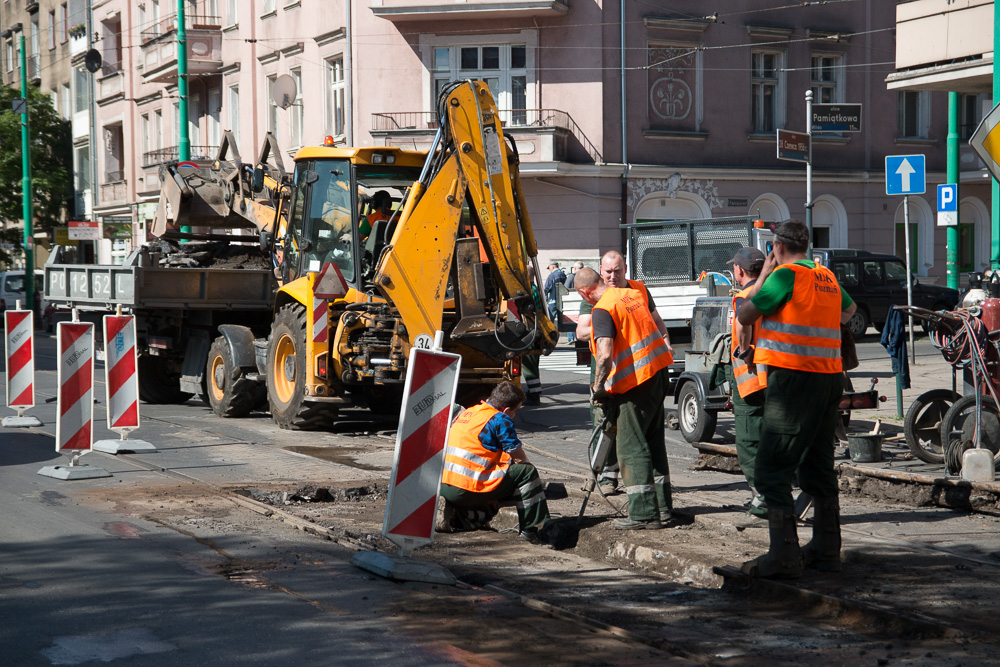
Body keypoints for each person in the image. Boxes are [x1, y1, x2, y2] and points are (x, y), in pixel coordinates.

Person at [736, 220, 856, 578]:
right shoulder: (827, 277)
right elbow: (848, 312)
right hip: (829, 379)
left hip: (793, 380)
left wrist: (764, 276)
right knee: (818, 464)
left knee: (771, 468)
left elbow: (745, 313)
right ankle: (826, 549)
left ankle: (784, 555)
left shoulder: (784, 276)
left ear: (777, 247)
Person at [576, 268, 675, 530]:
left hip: (635, 384)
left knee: (630, 446)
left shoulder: (602, 309)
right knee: (653, 442)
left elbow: (605, 354)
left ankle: (643, 514)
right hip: (657, 375)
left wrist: (598, 387)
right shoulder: (630, 295)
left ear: (585, 293)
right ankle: (663, 508)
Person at [439, 381, 553, 544]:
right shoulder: (500, 419)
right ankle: (531, 528)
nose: (515, 415)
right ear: (506, 410)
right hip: (464, 490)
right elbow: (520, 460)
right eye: (516, 411)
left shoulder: (471, 412)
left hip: (445, 485)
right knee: (527, 472)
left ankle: (466, 516)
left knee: (504, 475)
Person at [723, 247, 769, 526]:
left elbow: (743, 324)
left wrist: (744, 350)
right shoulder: (773, 293)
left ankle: (763, 500)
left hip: (751, 379)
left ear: (739, 271)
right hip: (776, 377)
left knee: (749, 440)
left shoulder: (744, 297)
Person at [544, 262, 567, 336]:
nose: (549, 270)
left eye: (549, 268)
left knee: (550, 320)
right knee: (565, 319)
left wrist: (545, 298)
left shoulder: (551, 276)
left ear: (553, 267)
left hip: (553, 301)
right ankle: (570, 337)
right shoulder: (563, 275)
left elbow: (546, 288)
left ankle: (550, 334)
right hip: (562, 301)